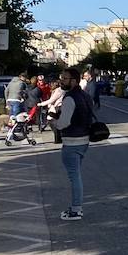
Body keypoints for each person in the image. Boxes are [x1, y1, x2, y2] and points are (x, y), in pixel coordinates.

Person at [54, 67, 95, 220]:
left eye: (65, 78)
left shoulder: (70, 98)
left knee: (74, 177)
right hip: (84, 140)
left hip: (72, 141)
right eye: (61, 78)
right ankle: (76, 207)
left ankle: (76, 209)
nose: (61, 81)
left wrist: (56, 122)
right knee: (76, 175)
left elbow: (64, 122)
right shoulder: (84, 95)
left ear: (74, 80)